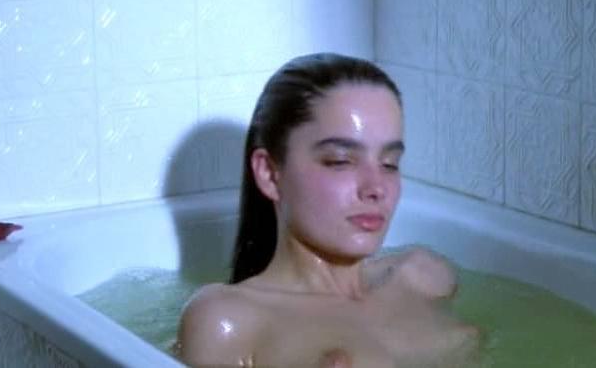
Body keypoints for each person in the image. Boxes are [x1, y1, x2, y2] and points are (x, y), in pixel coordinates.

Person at [175, 53, 482, 368]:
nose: (376, 187)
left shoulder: (425, 278)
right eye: (340, 161)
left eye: (389, 163)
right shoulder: (228, 321)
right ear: (269, 174)